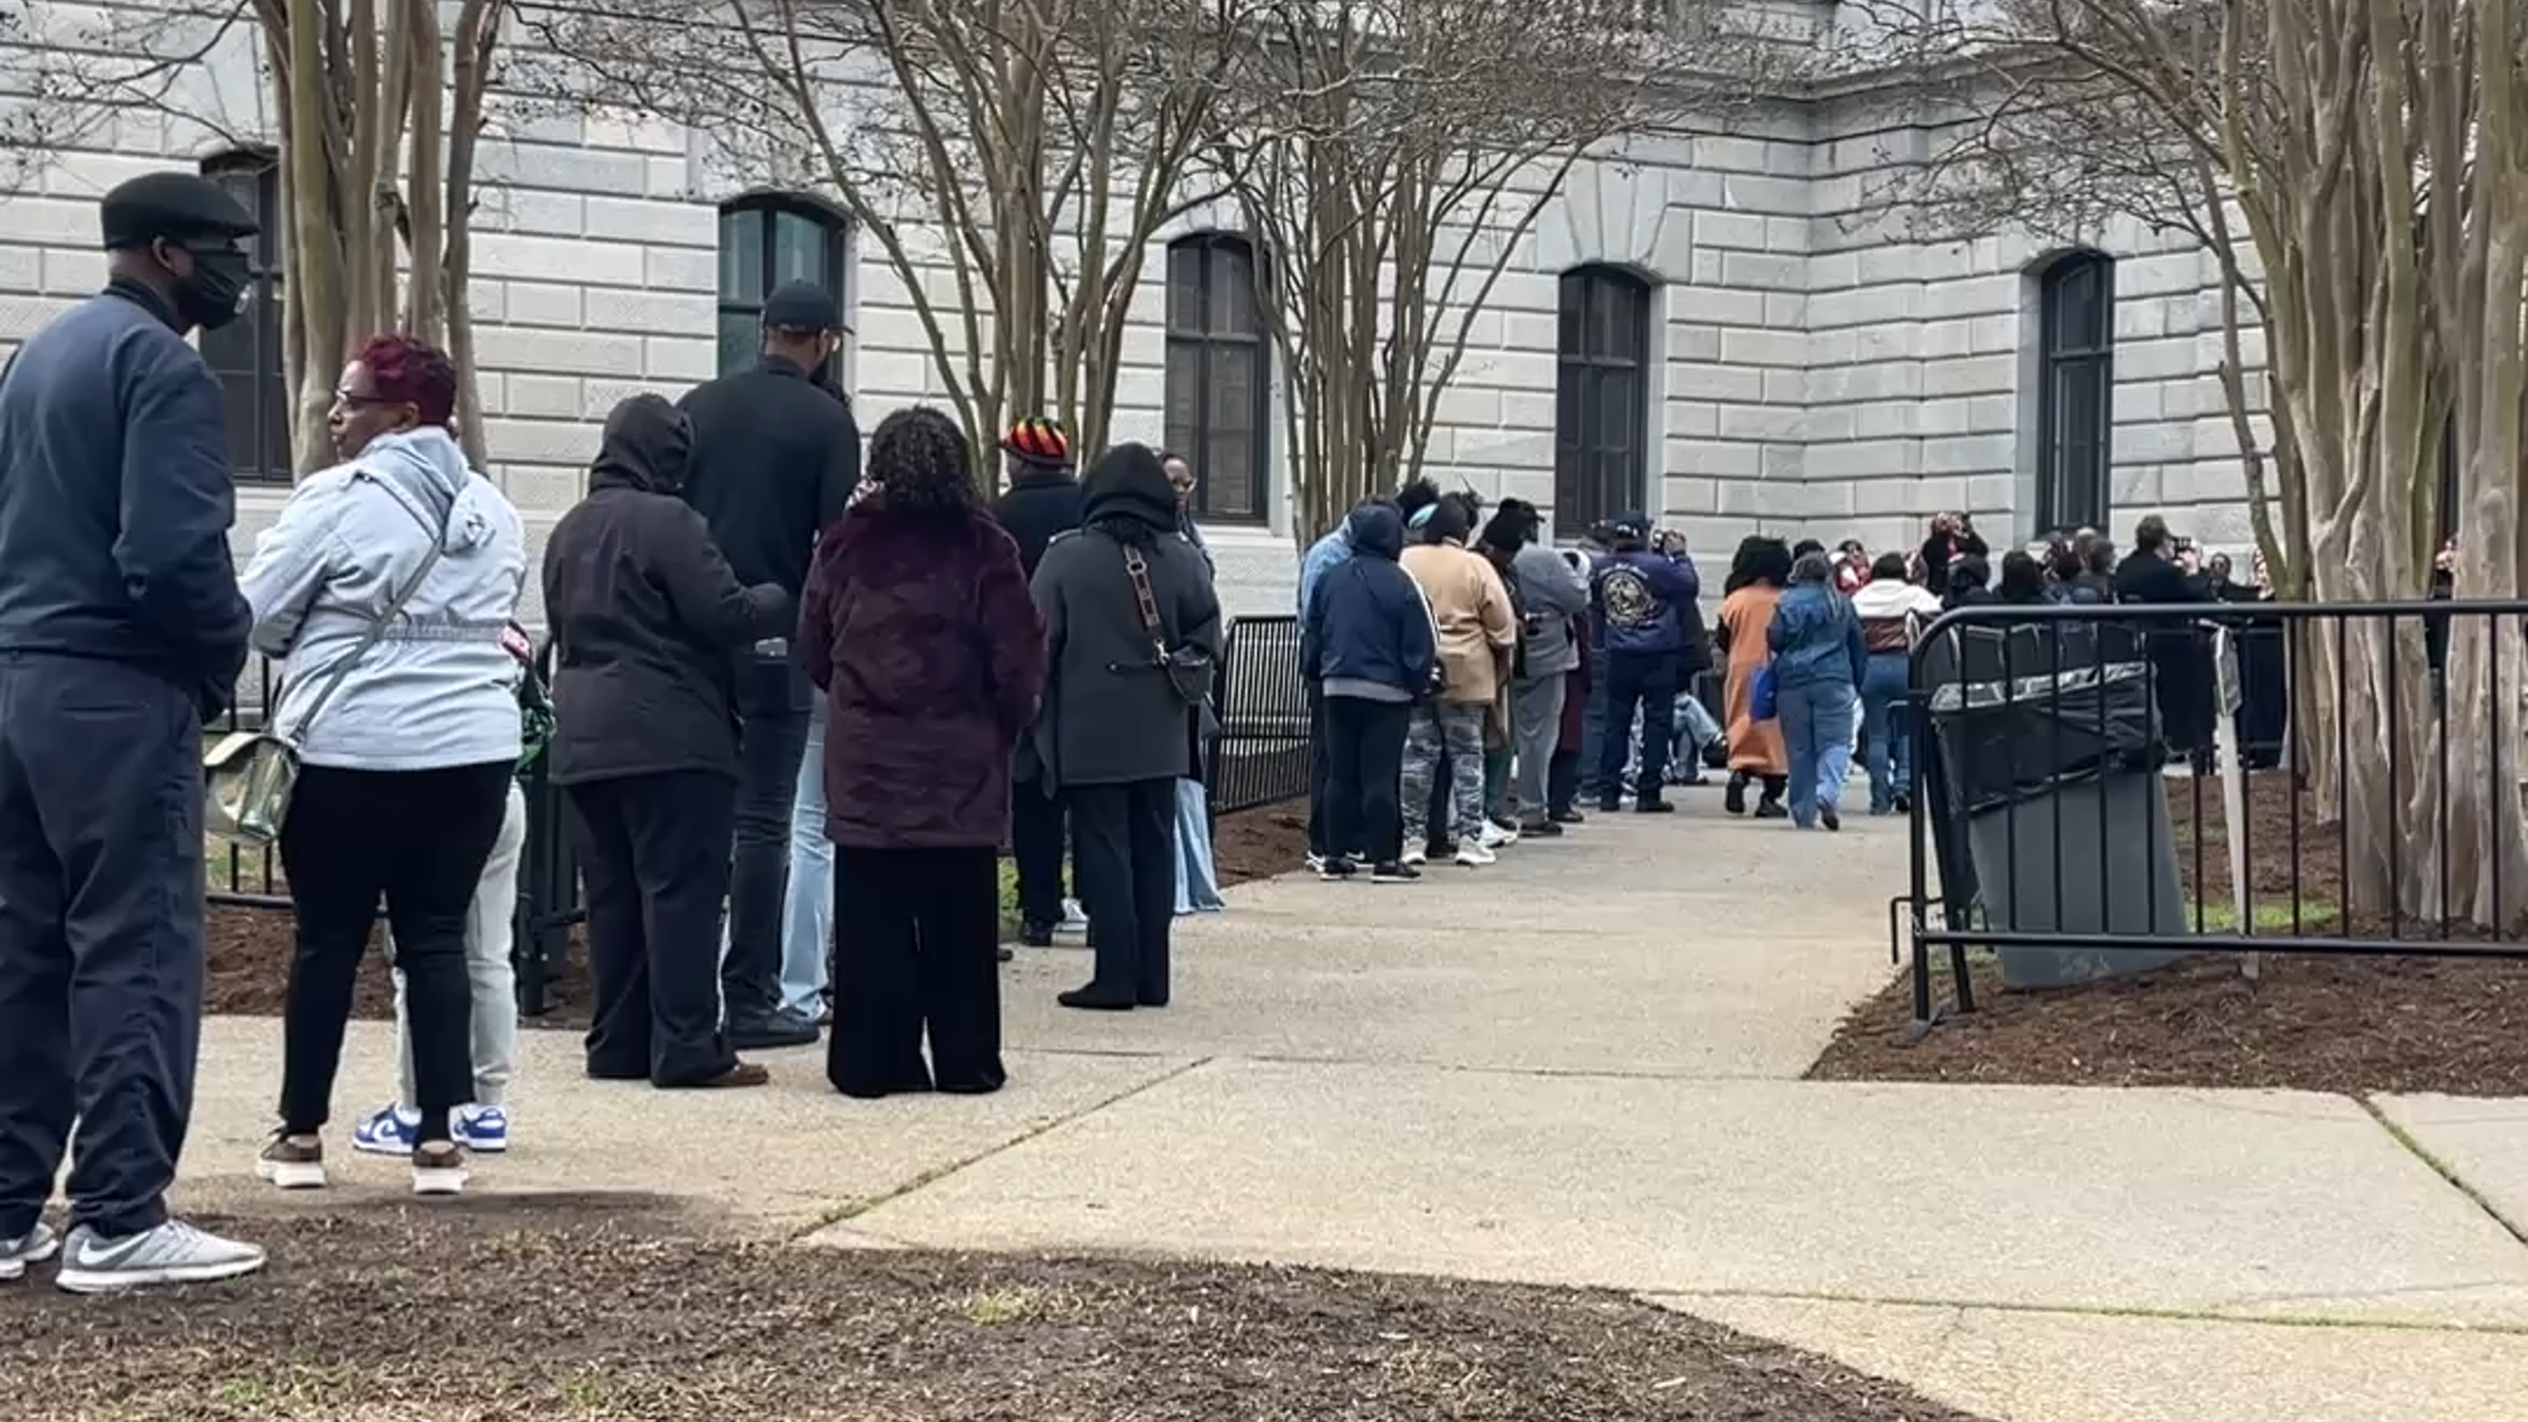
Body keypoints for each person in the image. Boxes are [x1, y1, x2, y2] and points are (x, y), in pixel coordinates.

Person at [0, 171, 267, 1291]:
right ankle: (120, 1212)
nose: (241, 271)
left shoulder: (36, 361)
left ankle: (11, 1210)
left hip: (20, 677)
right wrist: (221, 655)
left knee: (23, 952)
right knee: (138, 944)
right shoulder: (163, 368)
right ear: (166, 253)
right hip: (117, 686)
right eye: (227, 249)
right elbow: (171, 558)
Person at [239, 335, 525, 1198]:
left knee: (327, 940)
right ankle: (439, 1141)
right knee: (436, 937)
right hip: (473, 750)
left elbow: (257, 614)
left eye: (353, 399)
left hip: (351, 751)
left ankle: (299, 1136)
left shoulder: (334, 501)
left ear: (404, 415)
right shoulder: (493, 510)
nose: (335, 412)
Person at [544, 394, 792, 1089]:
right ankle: (686, 1045)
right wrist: (779, 596)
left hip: (584, 739)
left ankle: (617, 1043)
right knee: (681, 893)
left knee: (613, 895)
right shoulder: (668, 521)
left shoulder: (570, 528)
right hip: (672, 736)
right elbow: (723, 612)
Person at [803, 407, 1044, 1097]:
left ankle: (871, 1062)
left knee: (870, 919)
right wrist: (1004, 723)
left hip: (869, 761)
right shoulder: (985, 548)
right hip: (958, 760)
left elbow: (814, 647)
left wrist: (859, 699)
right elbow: (1019, 659)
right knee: (961, 924)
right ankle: (966, 1060)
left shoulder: (844, 545)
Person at [678, 281, 860, 1051]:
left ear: (762, 332)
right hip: (781, 635)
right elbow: (838, 546)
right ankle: (748, 992)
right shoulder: (829, 420)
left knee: (693, 821)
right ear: (823, 344)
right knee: (765, 822)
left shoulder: (699, 405)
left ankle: (682, 985)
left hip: (694, 634)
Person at [1032, 443, 1223, 1011]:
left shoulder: (1065, 558)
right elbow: (1208, 636)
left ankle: (1113, 975)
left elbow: (1038, 642)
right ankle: (1153, 976)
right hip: (1162, 725)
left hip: (1089, 728)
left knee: (1104, 849)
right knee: (1154, 847)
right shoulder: (1184, 558)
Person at [352, 618, 541, 1158]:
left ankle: (414, 1103)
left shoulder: (419, 627)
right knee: (488, 953)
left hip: (430, 785)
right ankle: (488, 1104)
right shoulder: (504, 632)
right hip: (500, 788)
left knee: (421, 951)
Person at [990, 417, 1090, 948]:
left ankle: (1039, 908)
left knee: (1032, 797)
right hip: (1088, 673)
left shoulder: (998, 516)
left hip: (1025, 667)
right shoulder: (1089, 512)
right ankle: (1098, 903)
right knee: (1090, 796)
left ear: (1022, 462)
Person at [1303, 501, 1436, 882]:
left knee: (1339, 775)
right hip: (1387, 692)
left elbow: (1314, 632)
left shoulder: (1331, 576)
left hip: (1336, 685)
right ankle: (1384, 859)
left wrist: (1316, 673)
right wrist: (1417, 685)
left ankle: (1333, 854)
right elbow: (1419, 641)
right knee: (1380, 775)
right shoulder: (1402, 581)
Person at [1399, 495, 1518, 865]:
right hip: (1467, 674)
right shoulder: (1475, 565)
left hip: (1418, 669)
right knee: (1468, 757)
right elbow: (1502, 624)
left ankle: (1413, 837)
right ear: (1463, 532)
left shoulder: (1406, 560)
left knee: (1418, 757)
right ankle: (1469, 837)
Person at [1590, 515, 1700, 814]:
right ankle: (1648, 792)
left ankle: (1608, 791)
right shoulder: (1657, 566)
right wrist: (1679, 554)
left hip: (1618, 652)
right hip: (1657, 652)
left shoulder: (1601, 567)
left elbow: (1597, 607)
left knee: (1616, 723)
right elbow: (1689, 586)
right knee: (1657, 722)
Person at [1503, 506, 1589, 835]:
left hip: (1504, 654)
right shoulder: (1546, 559)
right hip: (1548, 654)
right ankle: (1532, 810)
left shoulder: (1490, 557)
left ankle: (1494, 807)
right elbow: (1577, 597)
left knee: (1498, 737)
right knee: (1538, 736)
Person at [1768, 551, 1867, 831]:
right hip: (1835, 679)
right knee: (1836, 742)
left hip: (1792, 681)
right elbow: (1858, 645)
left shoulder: (1786, 602)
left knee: (1799, 747)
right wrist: (1856, 682)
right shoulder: (1841, 603)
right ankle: (1828, 792)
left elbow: (1775, 639)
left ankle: (1803, 811)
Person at [2115, 514, 2216, 769]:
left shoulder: (2125, 568)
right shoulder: (2166, 573)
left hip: (2138, 645)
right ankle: (2196, 742)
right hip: (2174, 648)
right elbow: (2197, 601)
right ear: (2162, 541)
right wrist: (2194, 571)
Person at [1852, 552, 1942, 816]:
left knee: (1876, 734)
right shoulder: (1916, 596)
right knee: (1908, 730)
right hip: (1907, 666)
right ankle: (1905, 786)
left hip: (1872, 667)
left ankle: (1879, 798)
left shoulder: (1860, 598)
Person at [1296, 508, 1358, 872]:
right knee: (1327, 752)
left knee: (1344, 754)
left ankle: (1344, 836)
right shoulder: (1327, 554)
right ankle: (1322, 839)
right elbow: (1311, 614)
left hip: (1341, 661)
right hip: (1326, 664)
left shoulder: (1353, 555)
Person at [1717, 536, 1792, 817]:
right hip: (1776, 668)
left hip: (1740, 668)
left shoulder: (1736, 600)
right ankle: (1770, 796)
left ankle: (1739, 771)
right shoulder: (1784, 600)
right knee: (1775, 732)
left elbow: (1723, 639)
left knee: (1741, 721)